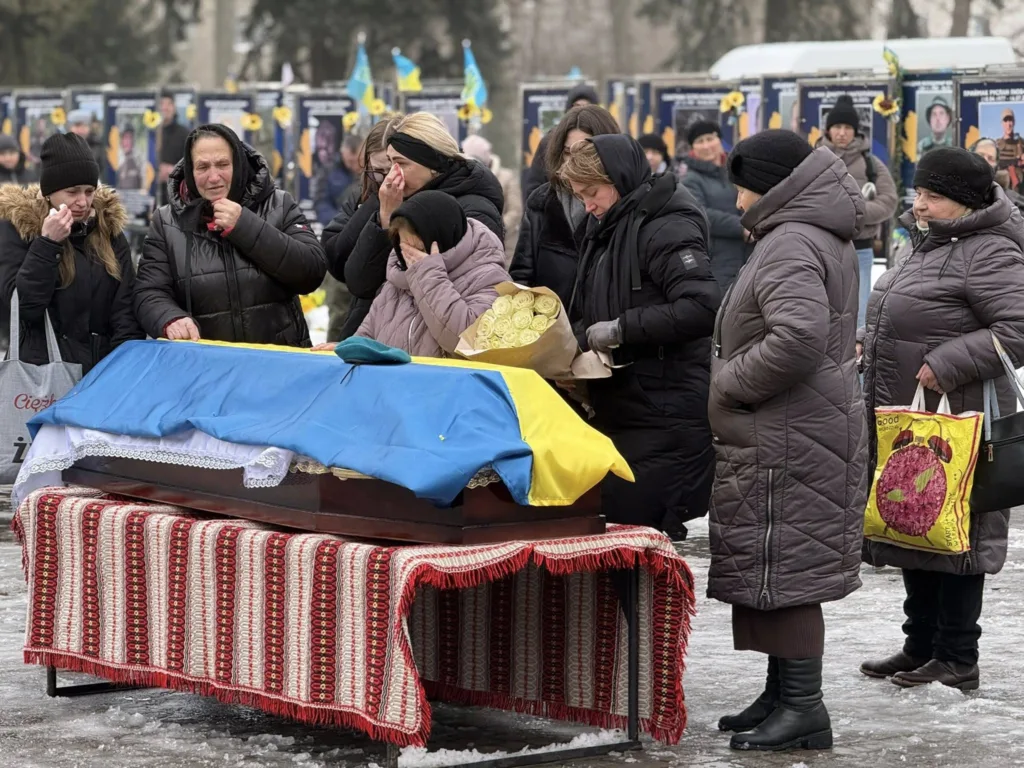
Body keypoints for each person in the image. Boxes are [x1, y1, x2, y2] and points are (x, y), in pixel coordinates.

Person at [709, 130, 867, 752]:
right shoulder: (800, 233)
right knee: (775, 561)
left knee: (788, 564)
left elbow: (797, 338)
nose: (738, 200)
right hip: (797, 426)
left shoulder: (792, 241)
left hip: (789, 431)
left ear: (771, 185)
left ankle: (804, 707)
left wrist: (729, 383)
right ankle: (782, 693)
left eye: (744, 187)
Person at [859, 147, 1024, 692]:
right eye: (919, 193)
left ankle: (957, 655)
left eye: (933, 196)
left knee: (960, 531)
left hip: (962, 418)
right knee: (915, 519)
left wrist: (948, 362)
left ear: (965, 201)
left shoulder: (991, 250)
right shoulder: (931, 240)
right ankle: (920, 644)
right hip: (914, 415)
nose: (920, 205)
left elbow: (1018, 328)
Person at [560, 134, 719, 539]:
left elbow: (701, 307)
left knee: (640, 538)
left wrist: (621, 329)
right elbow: (594, 308)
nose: (587, 205)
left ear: (619, 179)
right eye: (579, 196)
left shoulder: (667, 225)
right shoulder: (608, 227)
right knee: (620, 536)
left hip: (665, 409)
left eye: (592, 193)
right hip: (626, 405)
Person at [316, 113, 503, 349]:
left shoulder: (474, 209)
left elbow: (471, 316)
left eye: (401, 163)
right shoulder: (398, 196)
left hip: (437, 357)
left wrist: (424, 268)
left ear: (432, 164)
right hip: (393, 351)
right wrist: (384, 218)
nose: (391, 176)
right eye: (388, 165)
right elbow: (364, 285)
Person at [134, 123, 326, 345]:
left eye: (222, 164)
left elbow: (311, 272)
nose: (214, 177)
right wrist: (170, 318)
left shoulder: (279, 205)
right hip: (204, 360)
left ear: (238, 164)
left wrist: (244, 225)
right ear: (190, 171)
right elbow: (149, 292)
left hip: (276, 358)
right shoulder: (166, 222)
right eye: (202, 167)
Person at [0, 133, 143, 371]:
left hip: (101, 372)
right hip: (44, 375)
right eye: (72, 192)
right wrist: (47, 244)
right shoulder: (18, 229)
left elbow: (125, 309)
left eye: (89, 191)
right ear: (49, 192)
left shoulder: (107, 229)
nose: (83, 202)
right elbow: (23, 309)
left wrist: (122, 369)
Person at [355, 191, 509, 356]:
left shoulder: (489, 278)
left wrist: (429, 274)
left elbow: (467, 341)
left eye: (420, 249)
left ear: (444, 240)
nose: (411, 258)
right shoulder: (396, 282)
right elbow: (365, 338)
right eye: (405, 248)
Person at [510, 105, 620, 307]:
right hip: (548, 322)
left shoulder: (622, 204)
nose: (573, 161)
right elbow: (521, 276)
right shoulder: (541, 202)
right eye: (568, 152)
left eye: (584, 151)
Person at [320, 116, 401, 342]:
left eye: (392, 170)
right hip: (361, 314)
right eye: (378, 171)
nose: (386, 181)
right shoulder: (363, 193)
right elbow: (334, 252)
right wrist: (377, 206)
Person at [820, 94, 898, 327]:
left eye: (847, 128)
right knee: (822, 313)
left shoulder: (871, 163)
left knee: (859, 317)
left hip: (861, 250)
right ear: (828, 130)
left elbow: (888, 201)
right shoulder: (813, 160)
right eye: (837, 127)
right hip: (821, 248)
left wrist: (854, 211)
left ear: (855, 131)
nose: (842, 133)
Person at [682, 120, 751, 291]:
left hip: (749, 253)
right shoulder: (690, 180)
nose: (706, 146)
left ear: (719, 139)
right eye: (700, 141)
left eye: (710, 138)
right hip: (718, 259)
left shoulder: (737, 171)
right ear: (693, 148)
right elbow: (700, 213)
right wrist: (742, 227)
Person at [522, 83, 601, 203]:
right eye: (577, 106)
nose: (581, 111)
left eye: (587, 107)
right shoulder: (550, 142)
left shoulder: (604, 139)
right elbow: (534, 188)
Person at [462, 134, 522, 263]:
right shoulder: (465, 177)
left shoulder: (506, 177)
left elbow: (516, 210)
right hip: (473, 245)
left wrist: (498, 227)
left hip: (505, 243)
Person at [315, 134, 362, 227]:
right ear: (343, 154)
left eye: (359, 160)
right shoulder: (328, 171)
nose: (355, 166)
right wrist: (339, 222)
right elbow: (321, 203)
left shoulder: (372, 171)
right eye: (351, 161)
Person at [158, 94, 190, 207]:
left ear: (174, 107)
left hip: (175, 194)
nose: (165, 108)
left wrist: (173, 170)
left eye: (169, 104)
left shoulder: (184, 133)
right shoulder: (151, 134)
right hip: (152, 193)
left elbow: (190, 162)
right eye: (162, 104)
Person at [67, 109, 106, 174]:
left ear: (89, 128)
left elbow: (99, 167)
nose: (80, 130)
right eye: (77, 126)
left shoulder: (96, 145)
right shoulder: (61, 146)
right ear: (70, 127)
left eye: (84, 126)